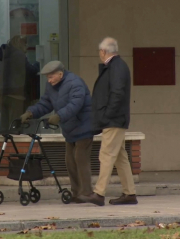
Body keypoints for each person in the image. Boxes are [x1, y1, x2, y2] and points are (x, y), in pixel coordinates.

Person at [20, 61, 93, 203]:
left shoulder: (75, 83)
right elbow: (45, 104)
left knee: (80, 159)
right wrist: (30, 113)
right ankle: (77, 193)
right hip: (69, 129)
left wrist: (59, 116)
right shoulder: (51, 86)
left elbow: (75, 105)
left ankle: (87, 192)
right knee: (70, 161)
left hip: (84, 126)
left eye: (51, 77)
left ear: (60, 74)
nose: (49, 80)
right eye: (47, 77)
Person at [78, 37, 137, 206]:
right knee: (120, 157)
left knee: (106, 155)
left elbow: (117, 94)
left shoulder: (116, 66)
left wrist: (106, 116)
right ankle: (130, 193)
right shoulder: (117, 66)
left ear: (103, 51)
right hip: (116, 118)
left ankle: (98, 193)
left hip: (114, 119)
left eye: (99, 52)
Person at [0, 35, 39, 132]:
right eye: (25, 43)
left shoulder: (5, 54)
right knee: (15, 126)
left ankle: (3, 146)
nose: (27, 46)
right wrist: (38, 64)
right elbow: (30, 70)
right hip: (16, 95)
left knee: (4, 127)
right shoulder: (19, 55)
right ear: (20, 43)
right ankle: (14, 146)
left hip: (3, 94)